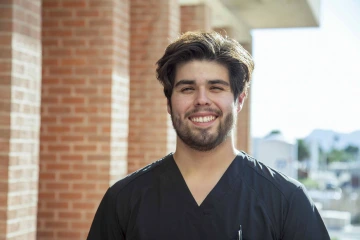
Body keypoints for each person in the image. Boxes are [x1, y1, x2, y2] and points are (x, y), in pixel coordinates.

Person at [87, 31, 330, 240]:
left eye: (216, 87)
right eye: (187, 88)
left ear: (239, 100)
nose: (201, 99)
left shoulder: (286, 201)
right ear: (169, 103)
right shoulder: (123, 200)